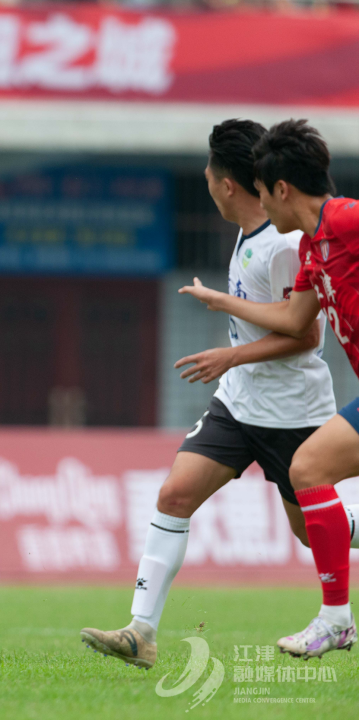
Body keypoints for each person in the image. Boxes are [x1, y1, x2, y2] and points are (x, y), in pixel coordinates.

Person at [80, 120, 339, 669]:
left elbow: (306, 333)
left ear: (227, 185)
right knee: (175, 495)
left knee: (309, 531)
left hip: (292, 411)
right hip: (239, 403)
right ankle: (141, 632)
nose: (205, 180)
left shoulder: (284, 244)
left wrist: (230, 351)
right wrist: (232, 359)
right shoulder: (249, 234)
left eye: (208, 174)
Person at [179, 119, 359, 659]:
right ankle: (336, 620)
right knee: (309, 472)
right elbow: (295, 319)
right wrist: (221, 302)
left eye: (259, 189)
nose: (257, 201)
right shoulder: (311, 251)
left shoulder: (345, 219)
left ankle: (336, 619)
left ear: (281, 189)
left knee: (308, 469)